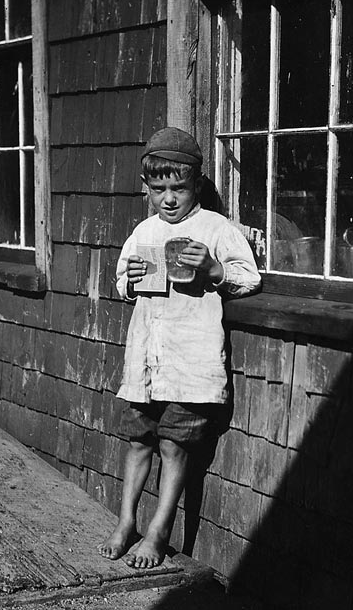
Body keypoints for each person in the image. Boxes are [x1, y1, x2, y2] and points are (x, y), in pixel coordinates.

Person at [98, 127, 261, 569]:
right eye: (159, 189)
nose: (169, 199)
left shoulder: (215, 228)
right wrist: (128, 279)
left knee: (173, 447)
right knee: (138, 442)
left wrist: (212, 268)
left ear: (196, 186)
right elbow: (121, 284)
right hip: (146, 362)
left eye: (179, 188)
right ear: (146, 189)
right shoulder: (143, 231)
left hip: (191, 362)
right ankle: (126, 521)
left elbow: (248, 277)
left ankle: (158, 531)